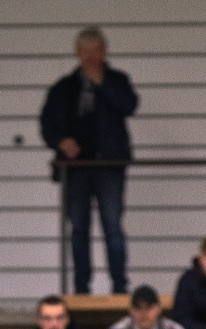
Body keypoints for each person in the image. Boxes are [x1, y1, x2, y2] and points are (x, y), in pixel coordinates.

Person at [40, 26, 138, 295]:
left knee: (112, 227)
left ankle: (120, 287)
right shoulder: (64, 87)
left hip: (109, 165)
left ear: (105, 53)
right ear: (77, 54)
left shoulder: (117, 80)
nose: (91, 57)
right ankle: (81, 288)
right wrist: (60, 142)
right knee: (79, 229)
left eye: (96, 51)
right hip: (76, 168)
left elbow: (130, 105)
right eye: (85, 52)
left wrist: (101, 84)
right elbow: (47, 122)